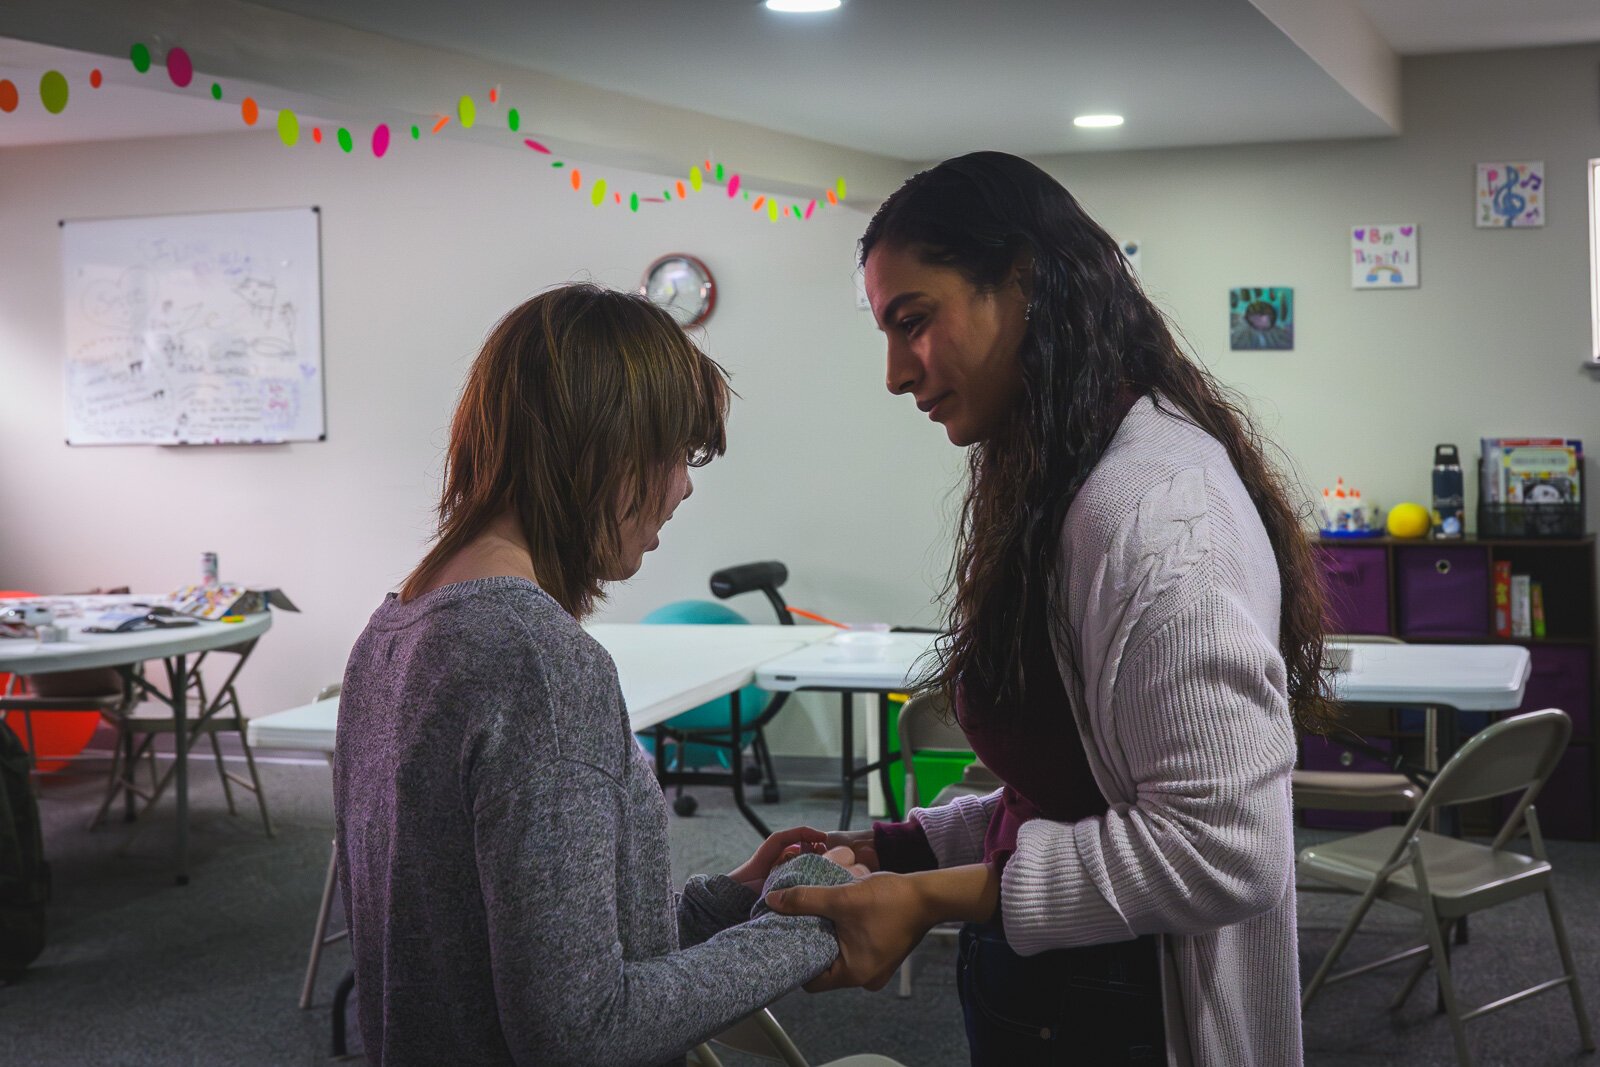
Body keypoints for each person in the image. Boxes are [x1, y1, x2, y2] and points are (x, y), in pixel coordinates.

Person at [763, 152, 1332, 1066]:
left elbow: (1225, 847)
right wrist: (898, 850)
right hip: (1063, 986)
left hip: (1124, 1007)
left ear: (1023, 282)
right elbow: (1068, 791)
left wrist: (940, 897)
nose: (894, 374)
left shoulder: (1150, 513)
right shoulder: (1065, 465)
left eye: (914, 321)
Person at [333, 284, 862, 1067]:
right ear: (605, 445)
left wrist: (733, 901)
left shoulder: (393, 629)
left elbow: (522, 956)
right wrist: (813, 919)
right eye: (675, 453)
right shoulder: (539, 665)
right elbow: (583, 1032)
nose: (684, 486)